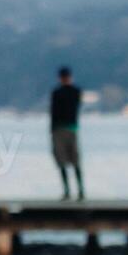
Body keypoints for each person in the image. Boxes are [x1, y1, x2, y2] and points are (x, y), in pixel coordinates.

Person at [50, 66, 84, 200]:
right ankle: (67, 191)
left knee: (75, 160)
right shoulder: (57, 92)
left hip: (70, 128)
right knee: (62, 161)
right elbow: (53, 112)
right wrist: (52, 130)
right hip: (60, 129)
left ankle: (80, 191)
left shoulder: (74, 91)